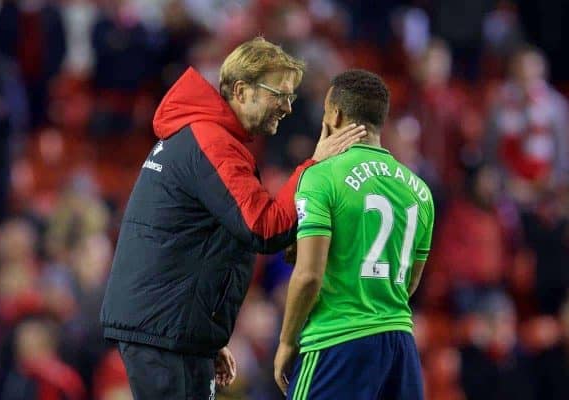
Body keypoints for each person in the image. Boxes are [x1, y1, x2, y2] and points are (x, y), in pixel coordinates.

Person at [99, 37, 366, 400]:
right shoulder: (212, 142)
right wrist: (314, 167)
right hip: (164, 332)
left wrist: (205, 337)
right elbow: (264, 227)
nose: (288, 107)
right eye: (280, 95)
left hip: (174, 330)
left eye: (291, 97)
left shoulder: (206, 137)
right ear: (242, 90)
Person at [274, 69, 435, 399]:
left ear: (335, 113)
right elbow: (411, 282)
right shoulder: (420, 190)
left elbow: (308, 276)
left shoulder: (322, 178)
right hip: (400, 348)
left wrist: (287, 341)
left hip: (337, 341)